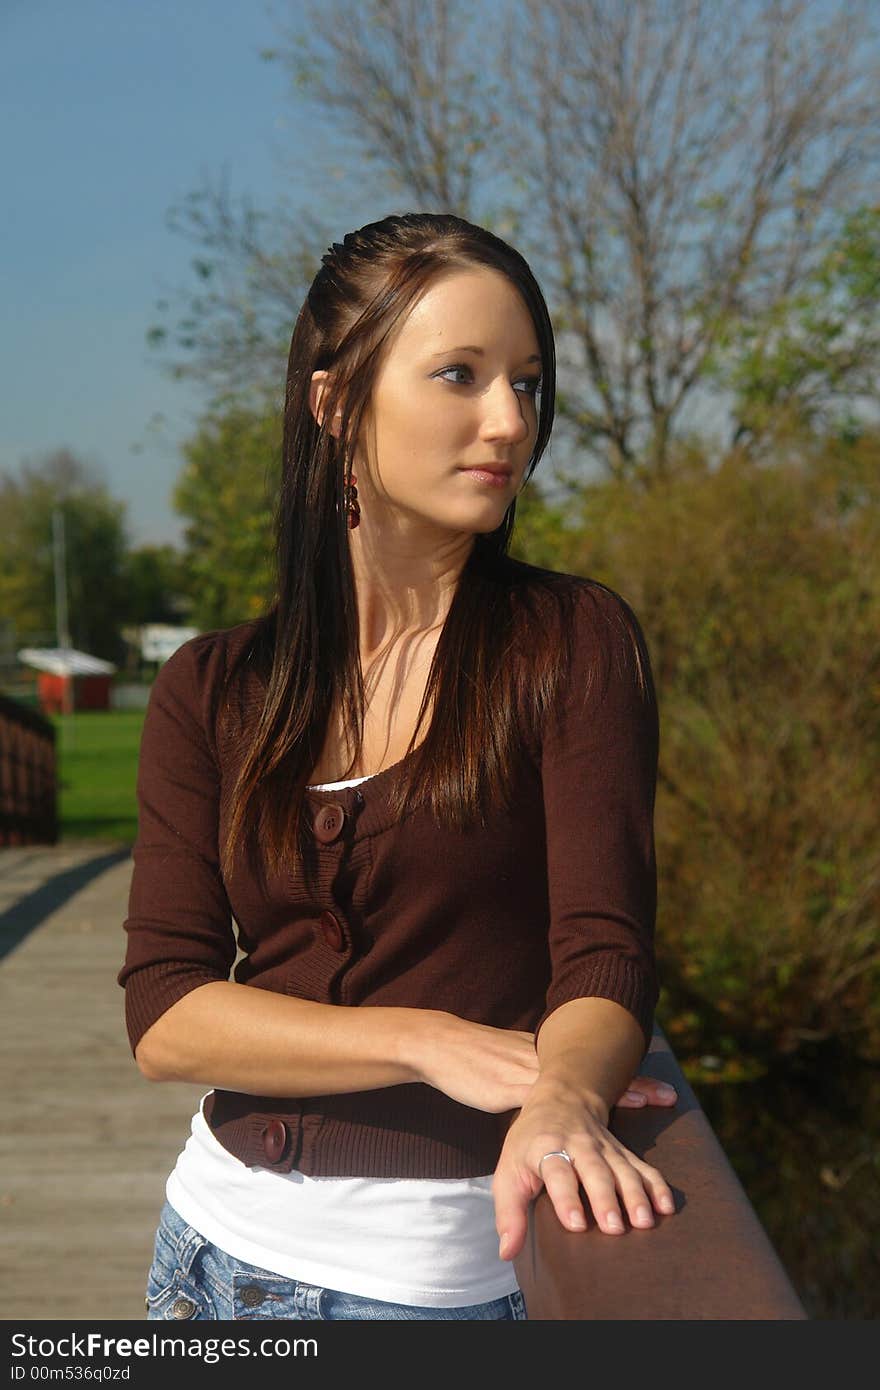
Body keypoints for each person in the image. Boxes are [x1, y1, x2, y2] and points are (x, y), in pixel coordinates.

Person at [118, 211, 678, 1323]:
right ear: (334, 404)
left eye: (527, 380)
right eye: (460, 375)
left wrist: (565, 1092)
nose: (508, 419)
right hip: (205, 1262)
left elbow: (604, 953)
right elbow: (168, 1015)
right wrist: (426, 1042)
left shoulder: (567, 645)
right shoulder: (213, 687)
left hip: (432, 1288)